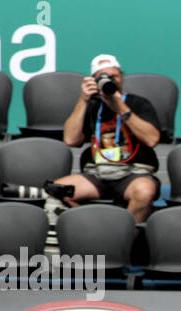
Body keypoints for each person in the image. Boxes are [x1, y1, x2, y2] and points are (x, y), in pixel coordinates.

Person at [52, 54, 162, 223]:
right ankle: (94, 230)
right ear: (93, 81)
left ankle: (124, 239)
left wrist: (121, 108)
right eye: (103, 77)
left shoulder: (138, 103)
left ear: (121, 77)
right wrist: (83, 100)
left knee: (144, 192)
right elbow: (71, 140)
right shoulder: (92, 106)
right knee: (58, 190)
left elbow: (152, 139)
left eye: (114, 76)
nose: (110, 81)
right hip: (97, 173)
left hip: (133, 173)